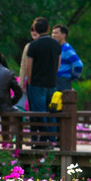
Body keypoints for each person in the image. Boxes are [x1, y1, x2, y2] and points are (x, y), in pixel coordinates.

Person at [26, 16, 61, 148]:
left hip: (37, 84)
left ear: (36, 29)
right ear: (48, 28)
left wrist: (30, 81)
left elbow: (29, 66)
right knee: (51, 111)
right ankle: (53, 139)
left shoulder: (33, 46)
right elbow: (58, 64)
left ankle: (44, 140)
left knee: (39, 112)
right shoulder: (56, 44)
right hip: (51, 83)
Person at [51, 25, 83, 91]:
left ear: (63, 35)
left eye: (56, 33)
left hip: (62, 81)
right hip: (53, 80)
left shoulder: (67, 49)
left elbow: (79, 65)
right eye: (53, 33)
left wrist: (72, 77)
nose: (53, 35)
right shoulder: (55, 48)